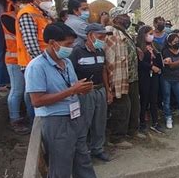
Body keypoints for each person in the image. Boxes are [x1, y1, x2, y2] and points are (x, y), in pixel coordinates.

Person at [25, 22, 117, 178]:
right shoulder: (37, 67)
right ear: (52, 43)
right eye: (67, 43)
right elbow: (37, 100)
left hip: (75, 115)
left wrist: (79, 89)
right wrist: (72, 91)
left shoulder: (65, 63)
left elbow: (72, 86)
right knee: (61, 167)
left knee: (82, 158)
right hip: (55, 121)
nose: (70, 47)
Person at [69, 23, 113, 162]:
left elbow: (103, 70)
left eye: (104, 37)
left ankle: (97, 149)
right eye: (100, 36)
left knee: (100, 122)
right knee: (84, 122)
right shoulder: (76, 52)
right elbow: (70, 74)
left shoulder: (100, 51)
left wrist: (108, 90)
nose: (103, 40)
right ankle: (82, 152)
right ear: (89, 36)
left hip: (100, 90)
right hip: (84, 93)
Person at [105, 13, 144, 148]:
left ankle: (132, 131)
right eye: (123, 16)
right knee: (122, 107)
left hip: (132, 76)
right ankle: (117, 137)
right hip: (120, 77)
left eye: (127, 16)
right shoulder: (110, 32)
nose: (127, 19)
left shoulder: (125, 33)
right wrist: (111, 80)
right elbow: (109, 57)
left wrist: (136, 48)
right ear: (115, 18)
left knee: (134, 105)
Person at [0, 0, 32, 134]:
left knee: (26, 90)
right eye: (21, 2)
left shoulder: (23, 16)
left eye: (26, 2)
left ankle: (25, 117)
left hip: (24, 59)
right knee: (17, 90)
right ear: (13, 2)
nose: (24, 4)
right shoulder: (7, 17)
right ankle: (15, 119)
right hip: (13, 59)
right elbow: (18, 32)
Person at [136, 25, 164, 134]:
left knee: (154, 99)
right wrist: (151, 67)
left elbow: (158, 58)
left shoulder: (154, 45)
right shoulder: (138, 46)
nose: (152, 36)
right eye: (150, 34)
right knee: (144, 100)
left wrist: (159, 67)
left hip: (155, 76)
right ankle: (142, 123)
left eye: (152, 34)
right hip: (144, 76)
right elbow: (140, 63)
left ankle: (155, 123)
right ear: (143, 35)